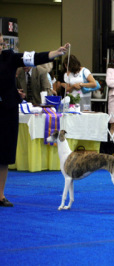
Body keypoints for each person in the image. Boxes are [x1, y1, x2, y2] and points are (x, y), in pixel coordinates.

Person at [0, 32, 69, 207]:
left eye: (1, 44)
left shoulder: (9, 58)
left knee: (4, 155)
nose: (1, 47)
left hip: (7, 112)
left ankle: (0, 195)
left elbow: (34, 57)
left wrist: (55, 53)